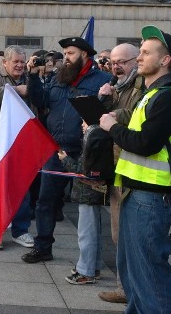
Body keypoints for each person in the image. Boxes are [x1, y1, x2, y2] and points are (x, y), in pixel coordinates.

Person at [99, 26, 171, 314]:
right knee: (132, 265)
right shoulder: (153, 93)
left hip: (152, 197)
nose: (139, 57)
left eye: (146, 52)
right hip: (135, 190)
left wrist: (112, 127)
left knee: (151, 271)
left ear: (165, 60)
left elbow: (146, 143)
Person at [23, 36, 111, 264]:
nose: (66, 58)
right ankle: (43, 246)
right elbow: (42, 101)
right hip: (57, 150)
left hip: (86, 152)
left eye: (70, 53)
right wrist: (32, 77)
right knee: (45, 201)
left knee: (88, 207)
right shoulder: (59, 78)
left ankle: (90, 260)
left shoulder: (102, 80)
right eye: (65, 54)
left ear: (84, 54)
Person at [95, 42, 144, 304]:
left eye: (122, 62)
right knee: (117, 233)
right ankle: (124, 287)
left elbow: (137, 116)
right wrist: (106, 98)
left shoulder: (142, 86)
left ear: (136, 60)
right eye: (113, 62)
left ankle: (130, 290)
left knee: (129, 235)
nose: (116, 66)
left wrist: (114, 112)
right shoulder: (121, 86)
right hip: (117, 164)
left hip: (135, 169)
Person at [0, 45, 34, 249]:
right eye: (16, 62)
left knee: (22, 189)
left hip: (22, 144)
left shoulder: (30, 78)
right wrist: (14, 90)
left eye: (23, 62)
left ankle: (20, 230)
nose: (20, 65)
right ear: (5, 62)